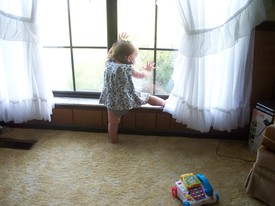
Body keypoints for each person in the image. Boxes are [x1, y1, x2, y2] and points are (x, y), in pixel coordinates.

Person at [99, 33, 166, 143]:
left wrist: (119, 42)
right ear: (129, 58)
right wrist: (147, 71)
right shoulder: (128, 68)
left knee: (113, 123)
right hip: (126, 99)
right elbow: (141, 75)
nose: (136, 58)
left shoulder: (108, 63)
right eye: (135, 56)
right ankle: (165, 104)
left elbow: (110, 52)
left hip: (111, 100)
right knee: (148, 97)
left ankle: (113, 141)